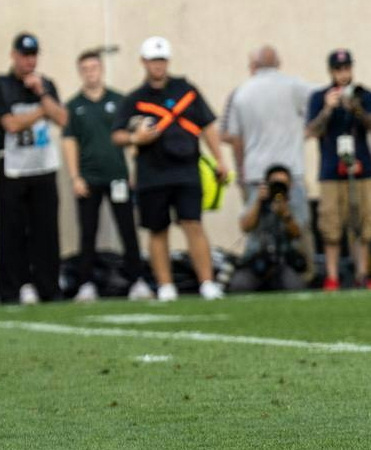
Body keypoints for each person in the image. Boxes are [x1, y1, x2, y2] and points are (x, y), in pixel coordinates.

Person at [112, 37, 229, 301]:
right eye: (153, 60)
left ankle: (207, 282)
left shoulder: (186, 90)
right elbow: (117, 134)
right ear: (144, 62)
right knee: (157, 228)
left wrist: (220, 159)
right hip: (152, 173)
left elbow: (207, 125)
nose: (158, 65)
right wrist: (135, 139)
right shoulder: (135, 98)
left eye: (162, 60)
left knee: (193, 223)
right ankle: (165, 286)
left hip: (186, 168)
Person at [0, 31, 68, 304]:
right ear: (14, 55)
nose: (29, 61)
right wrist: (43, 110)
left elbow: (63, 118)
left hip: (43, 167)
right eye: (24, 55)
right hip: (12, 169)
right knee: (10, 232)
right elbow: (11, 124)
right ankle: (9, 289)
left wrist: (42, 94)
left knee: (46, 231)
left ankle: (48, 288)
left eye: (33, 56)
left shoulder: (46, 85)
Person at [63, 48, 150, 302]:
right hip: (89, 179)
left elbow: (134, 137)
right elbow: (70, 143)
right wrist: (75, 177)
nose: (91, 73)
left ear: (101, 70)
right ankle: (86, 284)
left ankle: (137, 280)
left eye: (94, 68)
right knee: (87, 232)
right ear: (81, 72)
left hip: (117, 176)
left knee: (128, 230)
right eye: (85, 69)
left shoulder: (119, 101)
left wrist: (133, 169)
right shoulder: (74, 106)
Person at [306, 48, 371, 289]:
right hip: (330, 171)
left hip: (361, 169)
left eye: (347, 68)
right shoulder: (319, 97)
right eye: (338, 69)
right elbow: (311, 131)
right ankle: (332, 276)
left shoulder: (363, 94)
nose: (343, 73)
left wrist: (355, 108)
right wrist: (328, 109)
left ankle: (362, 274)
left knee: (362, 223)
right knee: (331, 225)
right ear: (331, 72)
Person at [221, 45, 314, 223]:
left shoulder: (241, 92)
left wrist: (242, 175)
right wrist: (305, 133)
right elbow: (321, 99)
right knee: (298, 228)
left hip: (256, 173)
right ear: (278, 63)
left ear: (254, 65)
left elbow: (234, 137)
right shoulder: (294, 86)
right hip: (291, 173)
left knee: (258, 230)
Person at [230, 165, 312, 293]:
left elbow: (297, 234)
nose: (278, 188)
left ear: (290, 185)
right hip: (256, 259)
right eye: (275, 184)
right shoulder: (258, 197)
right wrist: (258, 202)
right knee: (239, 286)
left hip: (283, 261)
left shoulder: (294, 202)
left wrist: (285, 214)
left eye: (282, 184)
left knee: (294, 286)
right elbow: (245, 227)